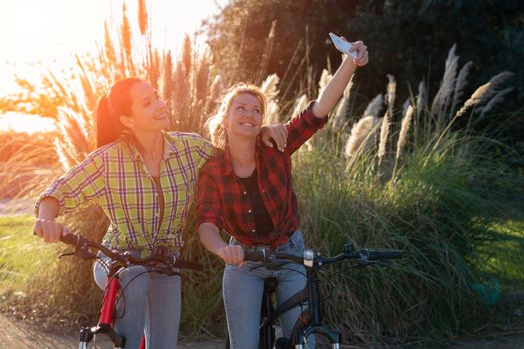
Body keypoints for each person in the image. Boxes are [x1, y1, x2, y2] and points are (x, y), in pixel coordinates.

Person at [32, 77, 287, 349]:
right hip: (118, 259)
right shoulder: (108, 160)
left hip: (166, 264)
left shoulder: (189, 149)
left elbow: (236, 155)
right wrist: (47, 219)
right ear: (128, 120)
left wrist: (258, 132)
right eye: (148, 102)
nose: (160, 104)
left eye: (157, 96)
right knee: (134, 278)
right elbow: (58, 192)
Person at [197, 38, 368, 348]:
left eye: (256, 110)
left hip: (290, 253)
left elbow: (318, 111)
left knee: (303, 342)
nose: (249, 114)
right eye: (241, 108)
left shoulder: (276, 145)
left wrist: (349, 64)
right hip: (243, 261)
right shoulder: (212, 170)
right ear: (225, 119)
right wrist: (223, 250)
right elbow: (207, 223)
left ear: (263, 119)